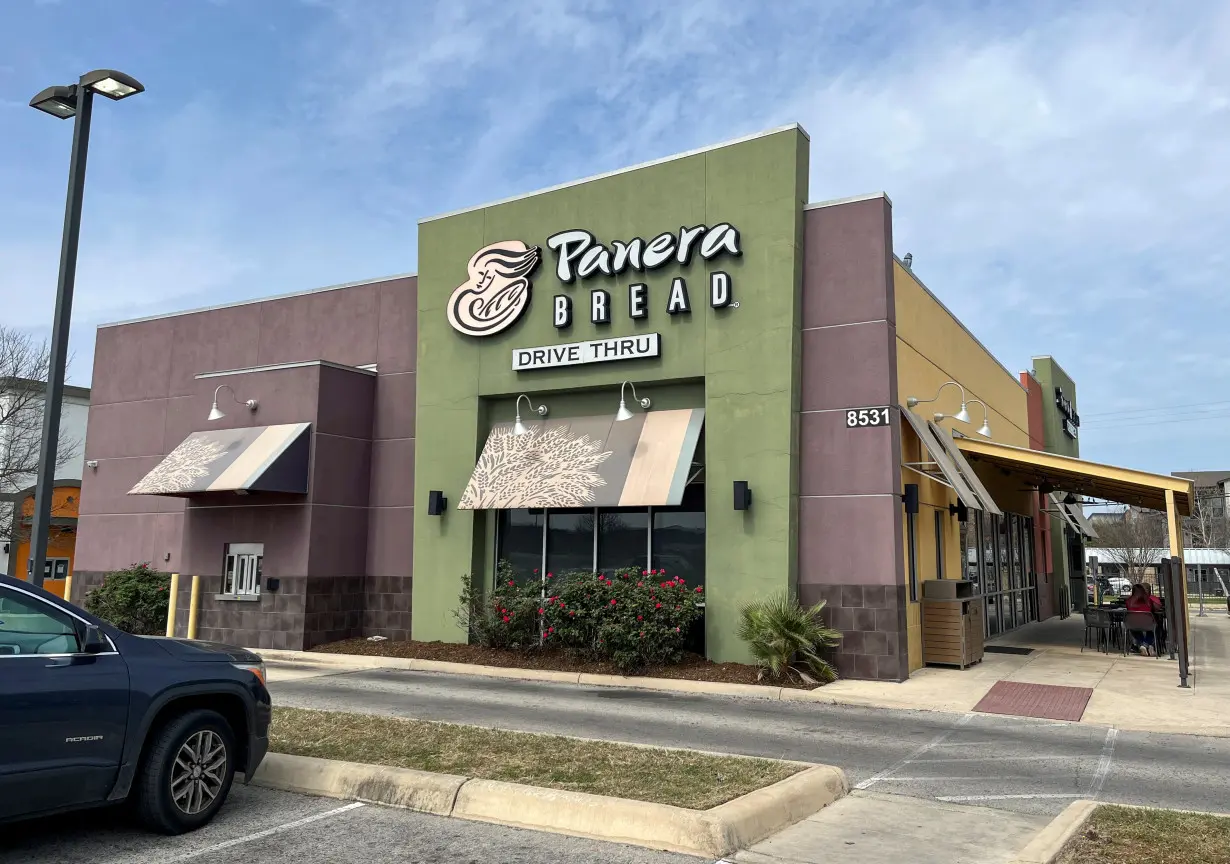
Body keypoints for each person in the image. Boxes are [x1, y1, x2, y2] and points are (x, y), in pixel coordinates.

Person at [1125, 584, 1158, 654]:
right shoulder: (1149, 600)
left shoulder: (1129, 600)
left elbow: (1128, 609)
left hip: (1132, 624)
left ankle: (1141, 644)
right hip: (1147, 623)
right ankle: (1148, 644)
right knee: (1154, 629)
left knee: (1134, 630)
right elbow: (1156, 608)